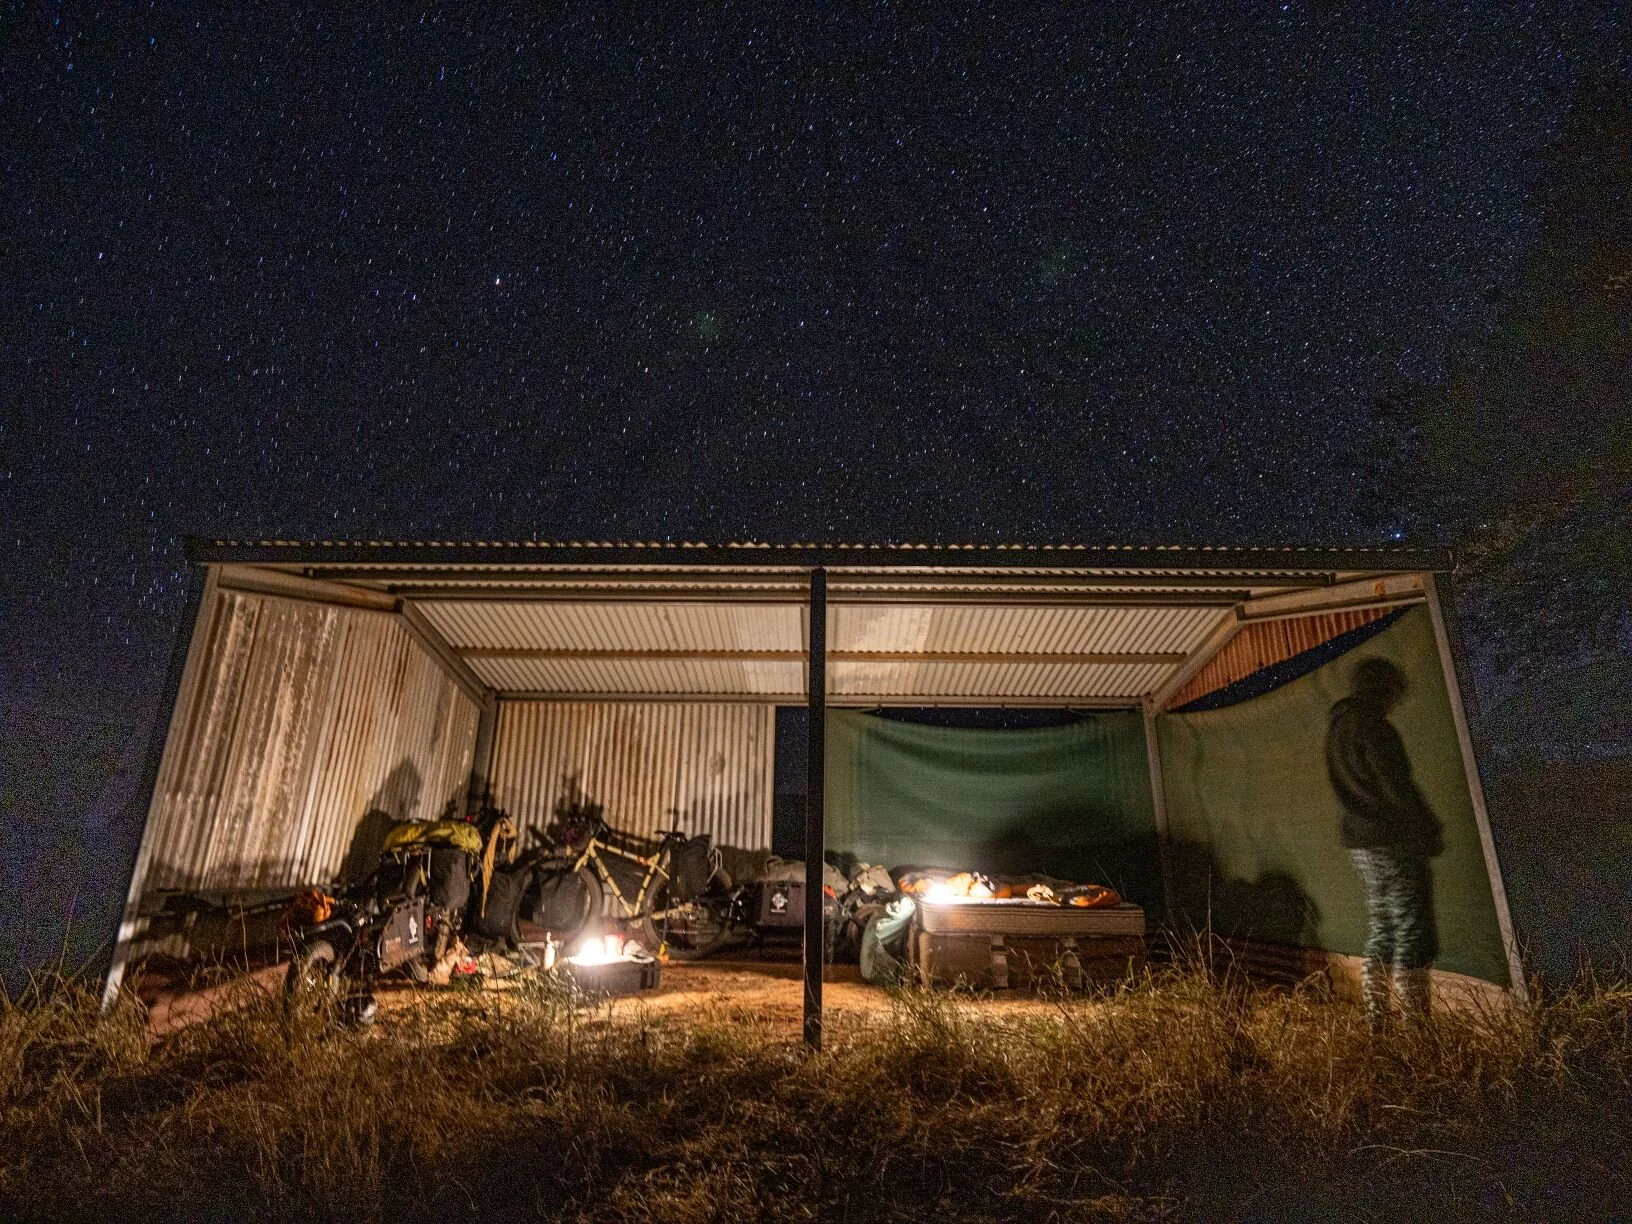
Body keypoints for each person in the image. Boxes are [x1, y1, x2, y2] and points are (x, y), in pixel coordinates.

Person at [1325, 657, 1444, 1029]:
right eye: (1394, 693)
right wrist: (1427, 828)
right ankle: (1416, 1029)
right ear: (1383, 689)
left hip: (1360, 844)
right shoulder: (1374, 727)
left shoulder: (1338, 728)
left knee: (1381, 925)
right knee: (1411, 928)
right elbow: (1398, 787)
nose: (1395, 702)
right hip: (1393, 839)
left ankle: (1376, 1021)